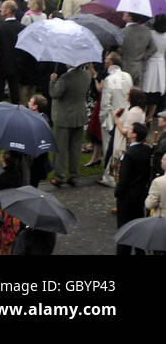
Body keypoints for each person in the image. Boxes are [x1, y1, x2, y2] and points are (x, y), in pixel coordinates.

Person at [49, 63, 91, 187]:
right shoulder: (86, 76)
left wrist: (52, 81)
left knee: (60, 149)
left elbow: (55, 93)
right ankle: (74, 176)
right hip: (79, 116)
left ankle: (59, 176)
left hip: (64, 117)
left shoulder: (65, 78)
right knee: (75, 149)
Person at [115, 122, 152, 255]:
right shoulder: (147, 150)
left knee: (124, 229)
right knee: (138, 226)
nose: (127, 131)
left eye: (130, 129)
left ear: (134, 134)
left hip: (127, 197)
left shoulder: (129, 155)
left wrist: (117, 192)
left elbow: (124, 179)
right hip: (141, 193)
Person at [99, 52, 133, 186]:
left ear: (110, 63)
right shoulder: (127, 76)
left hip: (112, 117)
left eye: (106, 60)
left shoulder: (109, 79)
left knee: (110, 147)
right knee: (121, 147)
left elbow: (105, 102)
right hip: (126, 115)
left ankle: (109, 177)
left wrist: (102, 118)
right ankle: (119, 173)